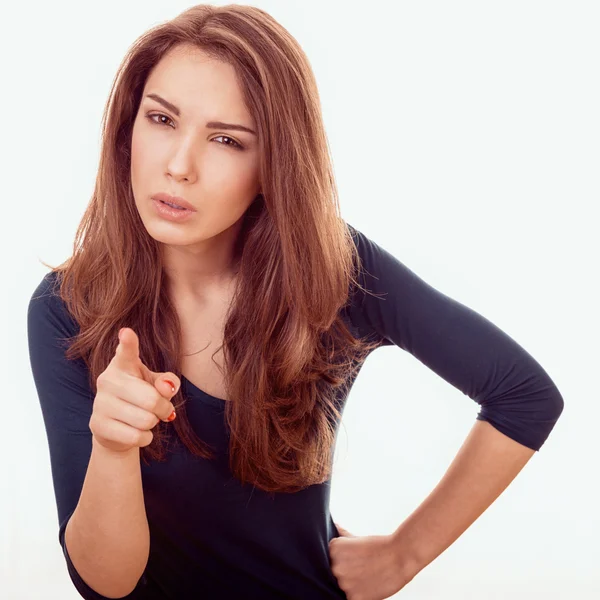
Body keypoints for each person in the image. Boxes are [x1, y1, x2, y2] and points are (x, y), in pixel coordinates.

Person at [27, 4, 564, 599]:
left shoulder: (331, 270)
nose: (178, 166)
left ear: (273, 164)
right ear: (128, 130)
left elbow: (523, 396)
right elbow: (106, 584)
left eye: (227, 140)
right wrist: (112, 447)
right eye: (160, 119)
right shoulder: (67, 307)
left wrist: (405, 553)